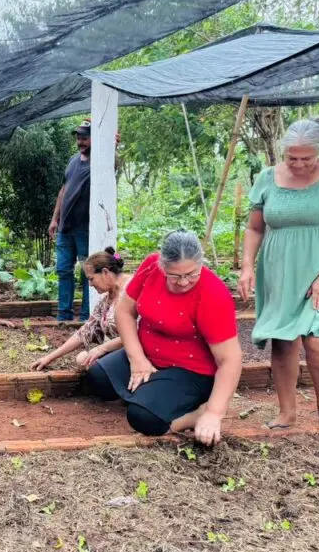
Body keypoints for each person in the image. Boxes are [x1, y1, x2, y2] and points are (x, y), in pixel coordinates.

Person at [239, 117, 319, 430]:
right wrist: (246, 266)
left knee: (317, 335)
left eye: (305, 158)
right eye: (291, 157)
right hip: (279, 269)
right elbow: (255, 228)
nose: (297, 164)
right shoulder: (267, 178)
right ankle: (286, 412)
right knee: (283, 339)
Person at [87, 231, 242, 446]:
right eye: (175, 276)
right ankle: (152, 391)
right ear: (162, 265)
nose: (184, 281)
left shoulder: (213, 293)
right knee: (98, 377)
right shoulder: (151, 266)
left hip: (190, 370)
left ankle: (195, 414)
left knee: (142, 418)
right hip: (150, 354)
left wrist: (215, 413)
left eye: (191, 274)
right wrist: (137, 359)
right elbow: (124, 312)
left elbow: (230, 360)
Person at [48, 119, 121, 322]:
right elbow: (63, 191)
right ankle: (64, 315)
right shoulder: (73, 161)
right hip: (65, 227)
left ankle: (87, 316)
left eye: (85, 138)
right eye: (79, 137)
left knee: (87, 272)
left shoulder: (100, 161)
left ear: (95, 140)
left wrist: (111, 146)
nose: (80, 142)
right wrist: (55, 219)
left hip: (86, 227)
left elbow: (112, 165)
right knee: (63, 270)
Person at [31, 247, 128, 372]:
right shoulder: (106, 299)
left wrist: (101, 349)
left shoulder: (131, 293)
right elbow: (84, 332)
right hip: (120, 353)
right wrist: (50, 357)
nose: (90, 284)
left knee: (93, 365)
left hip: (139, 354)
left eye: (91, 279)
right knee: (83, 359)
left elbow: (138, 334)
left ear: (105, 272)